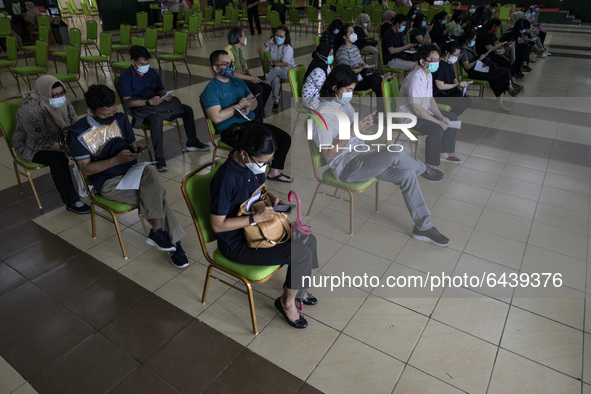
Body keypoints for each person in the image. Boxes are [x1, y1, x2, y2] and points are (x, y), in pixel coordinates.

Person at [312, 65, 450, 247]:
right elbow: (329, 154)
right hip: (346, 167)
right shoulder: (322, 115)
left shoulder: (343, 104)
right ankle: (424, 169)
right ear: (334, 87)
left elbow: (354, 136)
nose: (350, 94)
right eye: (348, 90)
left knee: (407, 175)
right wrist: (352, 132)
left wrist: (361, 128)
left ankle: (423, 227)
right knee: (395, 151)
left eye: (352, 89)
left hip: (362, 157)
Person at [67, 84, 189, 268]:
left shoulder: (121, 118)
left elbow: (130, 143)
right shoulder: (77, 133)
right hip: (108, 183)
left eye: (113, 112)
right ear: (90, 111)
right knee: (155, 198)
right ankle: (173, 244)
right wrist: (116, 160)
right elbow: (86, 169)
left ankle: (159, 232)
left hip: (131, 172)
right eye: (105, 115)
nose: (110, 118)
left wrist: (134, 149)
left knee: (150, 171)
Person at [210, 123, 318, 328]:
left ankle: (299, 289)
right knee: (301, 252)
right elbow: (217, 226)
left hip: (258, 230)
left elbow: (261, 188)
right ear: (244, 154)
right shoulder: (226, 178)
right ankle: (286, 303)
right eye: (262, 162)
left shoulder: (253, 164)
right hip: (237, 243)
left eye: (268, 162)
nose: (264, 166)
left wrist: (273, 198)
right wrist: (255, 219)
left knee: (308, 239)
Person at [203, 50, 293, 183]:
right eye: (225, 64)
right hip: (231, 130)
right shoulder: (211, 90)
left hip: (250, 123)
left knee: (284, 138)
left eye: (231, 64)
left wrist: (248, 106)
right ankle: (253, 179)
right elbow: (216, 117)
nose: (230, 67)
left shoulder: (237, 82)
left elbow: (254, 101)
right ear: (216, 68)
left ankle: (274, 171)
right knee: (260, 146)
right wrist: (238, 106)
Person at [117, 45, 210, 172]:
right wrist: (148, 102)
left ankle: (192, 142)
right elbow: (128, 103)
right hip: (142, 110)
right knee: (157, 119)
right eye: (142, 63)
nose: (145, 66)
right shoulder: (125, 78)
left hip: (158, 105)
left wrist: (165, 95)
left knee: (187, 109)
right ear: (133, 62)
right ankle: (159, 157)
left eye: (147, 63)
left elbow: (160, 89)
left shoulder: (152, 73)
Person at [13, 75, 91, 215]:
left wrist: (80, 141)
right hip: (30, 147)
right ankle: (72, 201)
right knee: (58, 159)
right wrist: (67, 149)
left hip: (60, 139)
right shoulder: (30, 109)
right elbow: (38, 141)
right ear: (44, 93)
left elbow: (74, 123)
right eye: (54, 95)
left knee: (90, 147)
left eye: (61, 93)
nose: (59, 97)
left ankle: (95, 187)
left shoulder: (63, 101)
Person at [397, 44, 460, 167]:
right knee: (436, 129)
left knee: (451, 117)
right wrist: (438, 122)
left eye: (438, 59)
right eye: (433, 60)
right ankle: (430, 165)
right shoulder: (415, 79)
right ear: (422, 61)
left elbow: (430, 99)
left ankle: (443, 153)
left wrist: (440, 116)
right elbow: (416, 108)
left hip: (421, 111)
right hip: (409, 116)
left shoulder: (428, 74)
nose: (437, 63)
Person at [458, 29, 522, 112]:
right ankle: (511, 89)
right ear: (467, 39)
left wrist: (482, 59)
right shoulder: (463, 51)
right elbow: (467, 67)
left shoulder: (469, 47)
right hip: (474, 73)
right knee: (505, 71)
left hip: (479, 69)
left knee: (498, 78)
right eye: (473, 39)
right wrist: (479, 60)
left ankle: (500, 104)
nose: (474, 41)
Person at [225, 26, 272, 120]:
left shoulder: (239, 50)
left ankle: (257, 110)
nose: (245, 38)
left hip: (244, 78)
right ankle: (257, 118)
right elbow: (232, 73)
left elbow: (245, 68)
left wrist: (252, 77)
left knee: (267, 87)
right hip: (235, 80)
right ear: (239, 38)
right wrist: (250, 79)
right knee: (258, 89)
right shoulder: (229, 50)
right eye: (244, 36)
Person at [335, 24, 384, 97]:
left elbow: (361, 63)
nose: (354, 34)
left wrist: (367, 67)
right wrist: (362, 68)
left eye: (354, 32)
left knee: (379, 77)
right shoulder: (342, 51)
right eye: (351, 33)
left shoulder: (355, 47)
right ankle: (383, 107)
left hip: (360, 76)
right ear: (345, 37)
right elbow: (345, 72)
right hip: (351, 81)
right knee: (376, 81)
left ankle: (383, 107)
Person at [257, 25, 295, 113]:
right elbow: (259, 50)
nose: (278, 38)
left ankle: (264, 83)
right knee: (275, 79)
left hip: (288, 71)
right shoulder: (273, 45)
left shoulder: (288, 48)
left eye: (281, 36)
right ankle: (276, 101)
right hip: (276, 71)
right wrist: (268, 42)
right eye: (277, 35)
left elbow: (284, 63)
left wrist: (273, 63)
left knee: (277, 70)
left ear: (286, 37)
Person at [432, 41, 472, 116]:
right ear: (448, 54)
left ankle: (451, 117)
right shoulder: (440, 65)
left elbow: (454, 79)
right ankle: (449, 117)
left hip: (448, 92)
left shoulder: (449, 63)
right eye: (455, 55)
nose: (456, 57)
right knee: (460, 105)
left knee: (468, 100)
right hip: (439, 94)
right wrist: (457, 85)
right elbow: (440, 86)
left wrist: (459, 86)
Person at [302, 42, 333, 109]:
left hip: (318, 94)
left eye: (332, 54)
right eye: (329, 54)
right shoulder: (317, 70)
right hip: (311, 100)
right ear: (323, 54)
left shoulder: (325, 65)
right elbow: (324, 89)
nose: (331, 56)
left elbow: (331, 79)